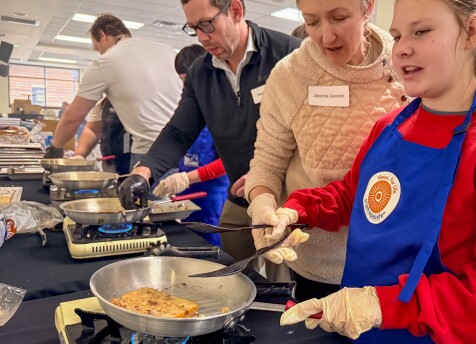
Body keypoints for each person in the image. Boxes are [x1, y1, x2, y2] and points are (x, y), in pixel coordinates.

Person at [271, 0, 476, 342]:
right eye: (397, 35)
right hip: (360, 331)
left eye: (421, 32)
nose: (402, 49)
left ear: (472, 32)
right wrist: (295, 211)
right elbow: (352, 195)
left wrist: (382, 305)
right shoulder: (389, 127)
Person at [118, 0, 301, 266]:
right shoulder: (200, 73)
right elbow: (179, 131)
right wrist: (143, 173)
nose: (202, 38)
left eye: (207, 25)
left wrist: (265, 173)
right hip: (240, 195)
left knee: (282, 273)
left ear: (235, 11)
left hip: (289, 198)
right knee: (235, 265)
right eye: (193, 29)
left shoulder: (289, 54)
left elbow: (315, 133)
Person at [245, 0, 408, 292]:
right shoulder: (290, 77)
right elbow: (267, 161)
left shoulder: (403, 62)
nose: (326, 36)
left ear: (367, 7)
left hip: (392, 256)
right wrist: (262, 204)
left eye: (339, 17)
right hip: (317, 261)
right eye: (312, 22)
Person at [44, 13, 182, 171]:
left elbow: (72, 117)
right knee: (177, 197)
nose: (100, 53)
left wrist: (55, 148)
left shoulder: (107, 61)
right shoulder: (167, 51)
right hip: (185, 148)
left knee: (149, 196)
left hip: (150, 153)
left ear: (103, 35)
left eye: (97, 48)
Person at [153, 44, 229, 247]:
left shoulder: (224, 111)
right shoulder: (190, 111)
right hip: (187, 198)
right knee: (189, 245)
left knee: (212, 249)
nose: (188, 88)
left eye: (189, 81)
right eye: (183, 82)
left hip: (213, 199)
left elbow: (228, 162)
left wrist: (188, 178)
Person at [74, 98, 132, 175]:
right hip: (110, 162)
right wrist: (79, 157)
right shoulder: (102, 99)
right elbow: (93, 129)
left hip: (140, 161)